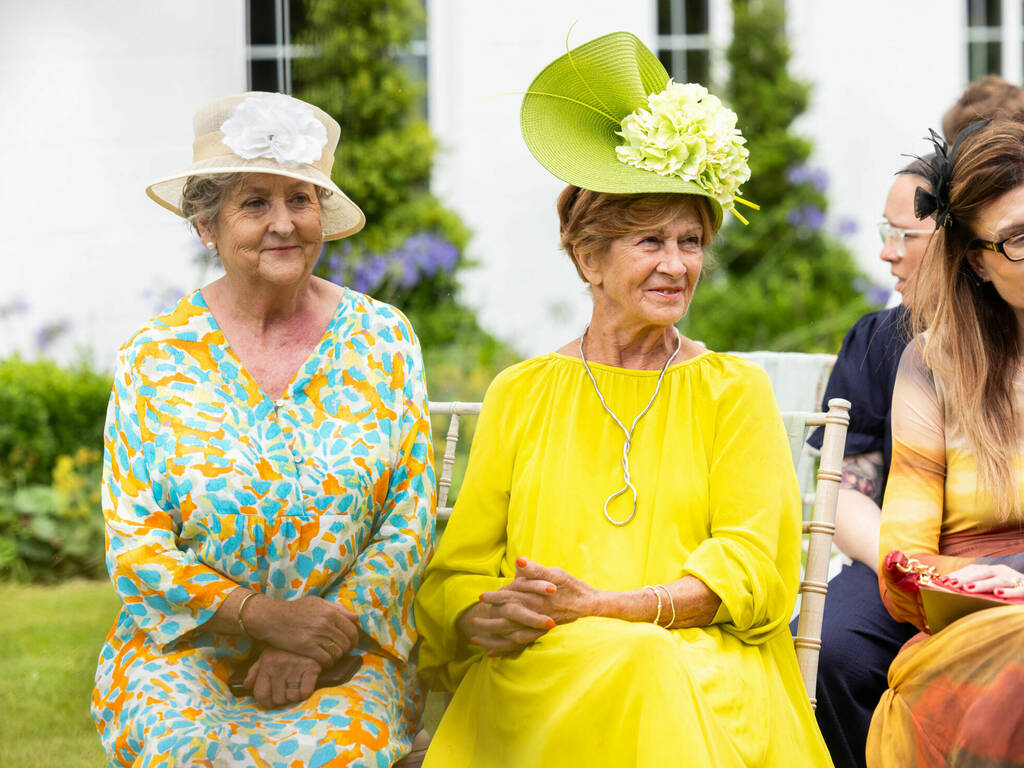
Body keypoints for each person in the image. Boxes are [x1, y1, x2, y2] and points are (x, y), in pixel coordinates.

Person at [414, 32, 831, 767]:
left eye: (691, 241)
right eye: (649, 242)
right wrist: (488, 614)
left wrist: (607, 609)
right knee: (627, 658)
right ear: (588, 257)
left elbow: (752, 570)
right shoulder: (522, 392)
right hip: (543, 671)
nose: (677, 265)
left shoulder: (733, 391)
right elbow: (454, 579)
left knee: (644, 660)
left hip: (692, 671)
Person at [90, 92, 436, 767]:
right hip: (184, 645)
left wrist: (313, 637)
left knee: (330, 751)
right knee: (181, 746)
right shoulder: (155, 357)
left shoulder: (382, 338)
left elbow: (408, 516)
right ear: (205, 225)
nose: (284, 223)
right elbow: (137, 547)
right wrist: (266, 617)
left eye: (300, 200)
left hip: (348, 644)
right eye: (255, 203)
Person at [864, 119, 1024, 767]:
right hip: (975, 633)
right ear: (979, 265)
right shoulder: (933, 367)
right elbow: (902, 570)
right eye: (1018, 240)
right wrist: (1003, 585)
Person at [801, 159, 933, 768]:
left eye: (905, 234)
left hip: (1003, 559)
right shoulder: (878, 341)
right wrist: (913, 570)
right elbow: (847, 485)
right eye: (886, 231)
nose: (887, 253)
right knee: (832, 643)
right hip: (896, 559)